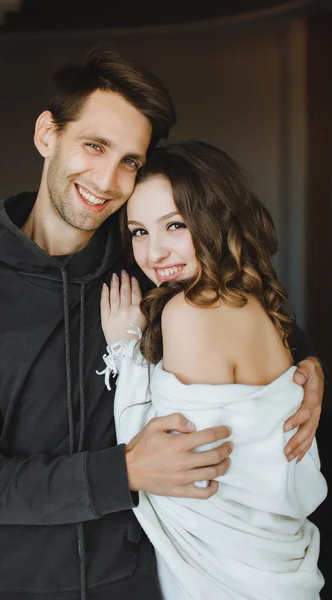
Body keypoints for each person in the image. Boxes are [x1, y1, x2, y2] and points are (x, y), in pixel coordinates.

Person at [0, 49, 324, 600]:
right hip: (12, 585)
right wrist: (124, 472)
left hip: (145, 580)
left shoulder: (151, 263)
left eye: (130, 161)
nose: (108, 180)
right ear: (48, 134)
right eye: (94, 146)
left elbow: (263, 336)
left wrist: (308, 374)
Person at [99, 141, 328, 599]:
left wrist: (125, 349)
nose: (154, 253)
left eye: (175, 226)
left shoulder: (189, 312)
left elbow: (172, 472)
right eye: (139, 231)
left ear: (218, 222)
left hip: (224, 579)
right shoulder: (255, 306)